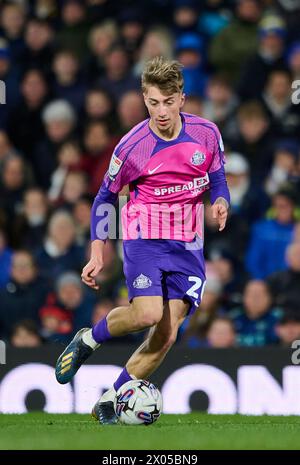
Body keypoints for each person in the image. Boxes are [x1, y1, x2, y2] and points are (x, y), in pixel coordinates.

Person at [55, 57, 230, 424]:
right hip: (143, 237)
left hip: (188, 242)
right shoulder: (132, 146)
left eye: (168, 101)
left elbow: (217, 177)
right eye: (153, 103)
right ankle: (91, 338)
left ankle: (111, 397)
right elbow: (104, 197)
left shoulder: (207, 134)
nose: (161, 111)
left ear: (182, 98)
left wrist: (221, 200)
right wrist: (97, 251)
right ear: (143, 99)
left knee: (165, 335)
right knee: (148, 314)